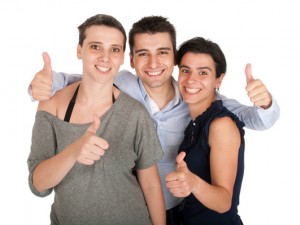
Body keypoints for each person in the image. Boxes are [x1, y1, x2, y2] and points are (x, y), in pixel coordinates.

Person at [29, 16, 280, 225]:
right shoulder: (123, 84)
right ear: (131, 60)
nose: (153, 63)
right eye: (143, 54)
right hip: (136, 208)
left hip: (186, 209)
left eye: (162, 53)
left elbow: (254, 119)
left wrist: (265, 102)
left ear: (174, 58)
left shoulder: (196, 96)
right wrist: (44, 84)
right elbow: (89, 77)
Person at [27, 14, 166, 225]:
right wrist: (74, 151)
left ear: (122, 58)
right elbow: (38, 185)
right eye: (95, 47)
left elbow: (151, 186)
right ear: (79, 50)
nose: (105, 57)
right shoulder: (51, 107)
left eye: (115, 49)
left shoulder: (135, 113)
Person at [166, 37, 246, 224]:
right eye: (185, 70)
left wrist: (192, 182)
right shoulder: (194, 123)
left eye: (203, 73)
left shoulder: (221, 125)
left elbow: (224, 202)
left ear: (218, 79)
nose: (191, 80)